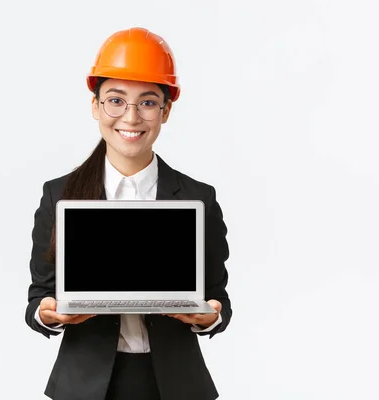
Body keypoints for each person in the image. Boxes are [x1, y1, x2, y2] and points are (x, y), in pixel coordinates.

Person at [25, 27, 231, 400]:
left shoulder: (198, 198)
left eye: (148, 102)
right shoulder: (60, 195)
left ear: (166, 111)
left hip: (175, 385)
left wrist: (210, 317)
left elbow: (217, 297)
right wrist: (49, 314)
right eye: (116, 100)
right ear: (95, 106)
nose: (131, 117)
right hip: (86, 384)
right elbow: (38, 298)